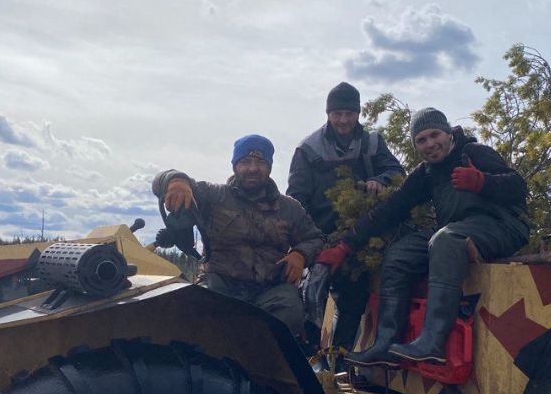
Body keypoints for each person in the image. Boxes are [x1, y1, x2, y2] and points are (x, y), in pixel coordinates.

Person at [315, 108, 529, 367]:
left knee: (445, 240)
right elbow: (390, 209)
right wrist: (345, 246)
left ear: (448, 133)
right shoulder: (426, 172)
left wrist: (482, 181)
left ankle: (433, 342)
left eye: (434, 135)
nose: (429, 144)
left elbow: (518, 186)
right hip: (459, 229)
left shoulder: (474, 153)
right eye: (421, 140)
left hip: (502, 227)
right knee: (399, 254)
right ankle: (385, 345)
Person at [152, 134, 323, 336]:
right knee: (199, 305)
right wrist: (177, 181)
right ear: (235, 165)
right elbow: (159, 182)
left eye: (260, 162)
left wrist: (300, 254)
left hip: (271, 289)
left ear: (269, 167)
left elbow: (314, 238)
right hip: (221, 284)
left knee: (291, 311)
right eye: (245, 162)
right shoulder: (213, 195)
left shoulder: (290, 208)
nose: (252, 168)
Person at [287, 82, 404, 350]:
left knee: (354, 299)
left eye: (349, 113)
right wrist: (306, 243)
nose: (343, 120)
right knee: (309, 298)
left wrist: (380, 180)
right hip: (318, 237)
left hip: (359, 238)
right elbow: (296, 198)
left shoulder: (373, 143)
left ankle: (341, 358)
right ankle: (307, 358)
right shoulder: (308, 149)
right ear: (327, 113)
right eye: (337, 113)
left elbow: (397, 173)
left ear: (358, 113)